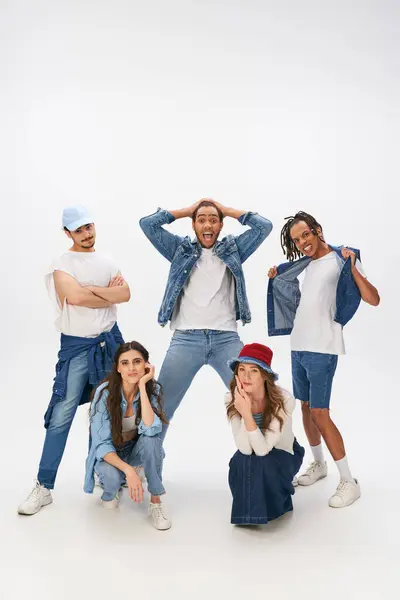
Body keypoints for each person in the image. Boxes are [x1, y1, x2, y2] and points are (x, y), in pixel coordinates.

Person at [18, 205, 129, 516]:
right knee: (61, 415)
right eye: (79, 230)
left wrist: (93, 290)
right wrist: (107, 292)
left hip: (109, 344)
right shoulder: (61, 263)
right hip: (77, 348)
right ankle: (44, 486)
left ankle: (100, 471)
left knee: (106, 412)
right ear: (68, 233)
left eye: (89, 227)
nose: (86, 233)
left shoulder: (107, 260)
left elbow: (126, 294)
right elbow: (75, 298)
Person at [267, 211, 380, 508]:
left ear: (317, 230)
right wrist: (277, 277)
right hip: (299, 345)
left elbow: (373, 298)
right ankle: (320, 465)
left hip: (323, 348)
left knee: (320, 413)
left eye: (306, 235)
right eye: (296, 240)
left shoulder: (343, 258)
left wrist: (353, 266)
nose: (302, 242)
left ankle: (348, 481)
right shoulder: (305, 264)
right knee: (305, 409)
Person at [139, 199, 272, 438]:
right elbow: (148, 225)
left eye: (213, 219)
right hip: (186, 339)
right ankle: (143, 465)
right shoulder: (180, 250)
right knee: (160, 407)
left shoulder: (234, 249)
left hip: (226, 340)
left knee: (254, 400)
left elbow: (264, 227)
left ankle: (266, 459)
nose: (207, 224)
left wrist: (229, 210)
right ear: (194, 225)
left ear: (221, 225)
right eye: (201, 220)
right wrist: (186, 210)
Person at [84, 341, 171, 530]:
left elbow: (152, 430)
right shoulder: (104, 393)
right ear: (118, 368)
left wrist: (142, 386)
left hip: (134, 451)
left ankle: (156, 501)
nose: (131, 368)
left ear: (146, 365)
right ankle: (115, 483)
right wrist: (129, 471)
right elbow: (102, 445)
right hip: (111, 455)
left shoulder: (152, 390)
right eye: (125, 363)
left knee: (151, 440)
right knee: (111, 494)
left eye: (137, 362)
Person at [226, 343, 304, 525]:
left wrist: (247, 413)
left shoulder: (284, 400)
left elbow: (263, 449)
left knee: (263, 461)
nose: (245, 376)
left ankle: (277, 504)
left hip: (284, 452)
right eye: (242, 369)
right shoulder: (231, 399)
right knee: (240, 461)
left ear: (264, 376)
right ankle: (249, 516)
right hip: (253, 453)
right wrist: (244, 408)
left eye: (253, 370)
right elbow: (245, 449)